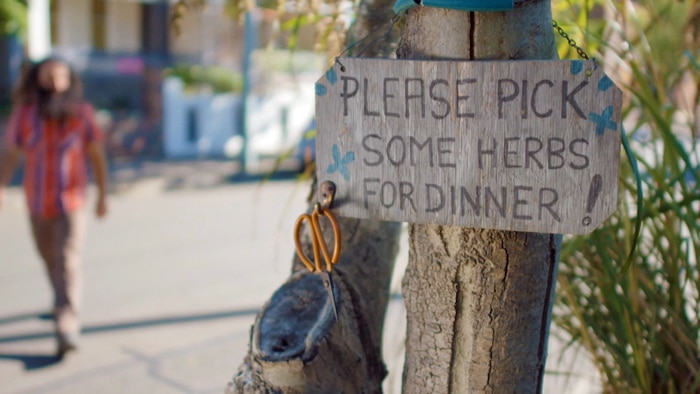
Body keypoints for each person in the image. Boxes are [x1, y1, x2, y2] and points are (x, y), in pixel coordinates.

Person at [0, 57, 109, 358]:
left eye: (61, 75)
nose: (56, 81)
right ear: (39, 79)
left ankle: (66, 324)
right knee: (49, 258)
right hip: (36, 201)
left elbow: (97, 156)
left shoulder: (82, 114)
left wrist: (103, 195)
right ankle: (61, 300)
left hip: (72, 200)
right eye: (50, 75)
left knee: (67, 259)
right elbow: (10, 154)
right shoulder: (25, 115)